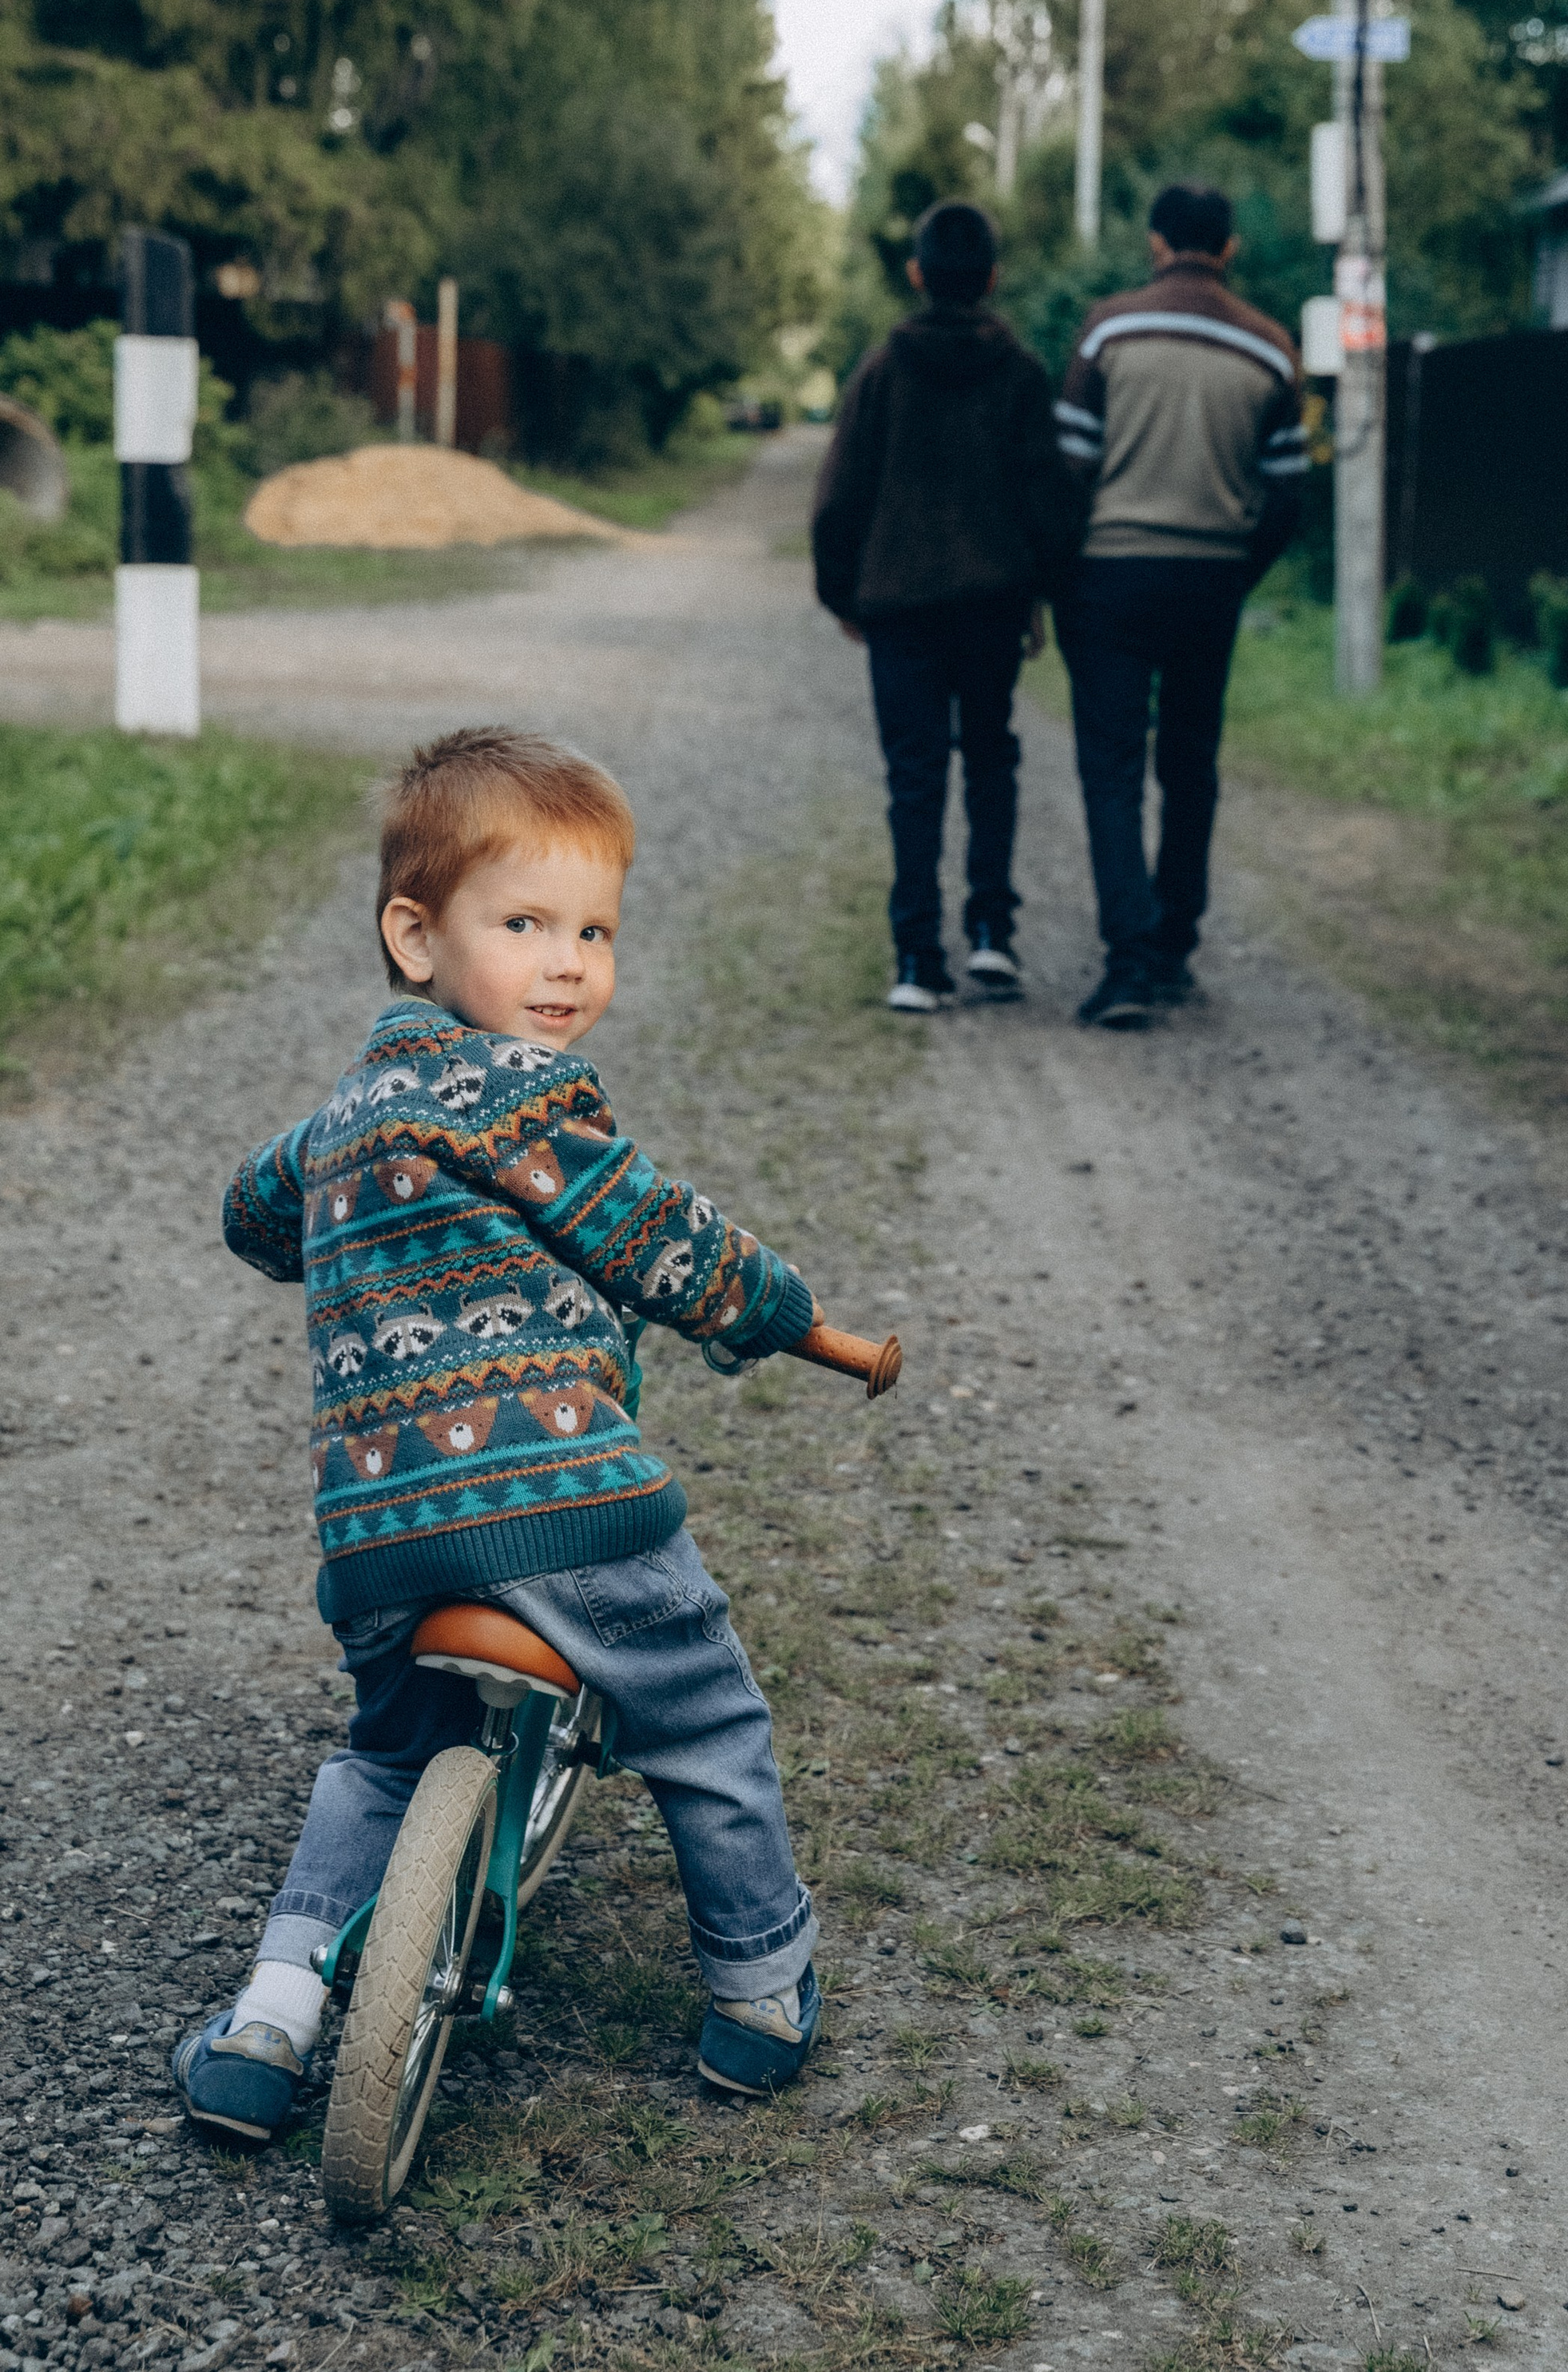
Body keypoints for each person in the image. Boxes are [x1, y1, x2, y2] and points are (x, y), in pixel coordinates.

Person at [173, 726, 827, 2144]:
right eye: (524, 923)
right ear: (415, 937)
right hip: (566, 1511)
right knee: (705, 1721)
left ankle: (273, 2018)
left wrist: (352, 1193)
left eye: (594, 929)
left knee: (382, 1756)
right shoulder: (531, 1097)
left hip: (380, 1539)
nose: (568, 963)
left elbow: (250, 1213)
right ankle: (763, 1986)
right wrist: (776, 1310)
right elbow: (669, 1244)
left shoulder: (345, 1114)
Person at [812, 199, 1077, 1011]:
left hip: (900, 609)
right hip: (992, 605)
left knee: (914, 778)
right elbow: (1047, 499)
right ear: (993, 277)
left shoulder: (881, 372)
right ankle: (994, 936)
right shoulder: (1023, 371)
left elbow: (840, 496)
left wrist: (844, 594)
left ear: (918, 273)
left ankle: (918, 959)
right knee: (991, 761)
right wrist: (1041, 589)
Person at [1054, 182, 1308, 1028]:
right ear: (1228, 249)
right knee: (1191, 765)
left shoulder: (1109, 327)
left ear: (1157, 243)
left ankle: (1125, 964)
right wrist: (1238, 567)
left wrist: (1063, 572)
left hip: (1112, 576)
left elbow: (1070, 465)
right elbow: (1287, 493)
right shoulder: (1273, 349)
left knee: (1113, 770)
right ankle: (1173, 946)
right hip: (1211, 581)